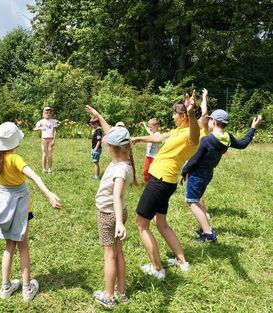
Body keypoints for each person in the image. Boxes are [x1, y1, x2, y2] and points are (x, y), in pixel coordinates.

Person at [0, 91, 62, 302]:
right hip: (21, 205)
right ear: (15, 142)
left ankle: (5, 287)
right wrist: (48, 194)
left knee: (8, 247)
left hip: (3, 203)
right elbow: (34, 176)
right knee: (24, 245)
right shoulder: (15, 158)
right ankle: (27, 288)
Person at [131, 91, 200, 279]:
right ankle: (182, 261)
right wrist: (139, 138)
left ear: (184, 115)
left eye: (175, 113)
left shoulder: (191, 133)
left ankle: (157, 268)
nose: (172, 116)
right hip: (164, 181)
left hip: (159, 181)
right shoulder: (177, 131)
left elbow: (194, 135)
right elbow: (158, 138)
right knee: (160, 222)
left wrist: (192, 112)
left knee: (141, 223)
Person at [181, 110, 262, 243]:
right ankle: (204, 227)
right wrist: (253, 128)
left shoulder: (207, 140)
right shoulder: (228, 138)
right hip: (208, 173)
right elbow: (243, 144)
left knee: (192, 202)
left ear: (213, 121)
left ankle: (208, 235)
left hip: (197, 174)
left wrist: (184, 171)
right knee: (198, 200)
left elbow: (195, 159)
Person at [86, 106, 135, 309]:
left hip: (109, 215)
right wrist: (99, 115)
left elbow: (116, 195)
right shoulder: (125, 161)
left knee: (110, 256)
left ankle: (108, 296)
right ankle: (121, 292)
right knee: (118, 253)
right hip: (119, 213)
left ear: (111, 149)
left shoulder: (120, 170)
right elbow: (111, 133)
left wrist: (120, 223)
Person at [33, 107, 58, 173]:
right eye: (46, 112)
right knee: (44, 154)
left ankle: (49, 169)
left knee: (50, 155)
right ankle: (44, 169)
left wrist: (54, 140)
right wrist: (40, 128)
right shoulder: (41, 121)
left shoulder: (53, 121)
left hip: (51, 140)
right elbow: (35, 128)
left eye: (50, 112)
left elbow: (55, 131)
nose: (48, 113)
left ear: (51, 113)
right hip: (44, 140)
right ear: (43, 113)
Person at [141, 118, 161, 184]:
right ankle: (146, 183)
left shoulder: (158, 134)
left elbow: (153, 139)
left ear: (156, 126)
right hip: (148, 156)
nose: (149, 128)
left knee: (153, 171)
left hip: (154, 157)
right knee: (146, 170)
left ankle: (153, 183)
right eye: (149, 127)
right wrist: (144, 125)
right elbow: (148, 131)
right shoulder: (152, 132)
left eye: (151, 127)